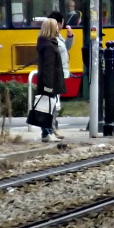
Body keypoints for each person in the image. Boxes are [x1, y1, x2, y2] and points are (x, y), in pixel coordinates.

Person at [36, 18, 66, 143]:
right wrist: (48, 86)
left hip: (49, 82)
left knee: (48, 108)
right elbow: (48, 68)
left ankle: (48, 132)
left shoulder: (46, 43)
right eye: (56, 26)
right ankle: (46, 133)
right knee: (48, 108)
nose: (58, 28)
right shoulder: (49, 46)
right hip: (50, 83)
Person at [48, 11, 74, 139]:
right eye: (62, 23)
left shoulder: (57, 36)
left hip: (59, 73)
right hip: (54, 74)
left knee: (55, 104)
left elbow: (65, 48)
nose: (63, 25)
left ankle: (51, 129)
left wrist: (70, 37)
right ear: (58, 23)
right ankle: (49, 130)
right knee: (53, 104)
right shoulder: (49, 37)